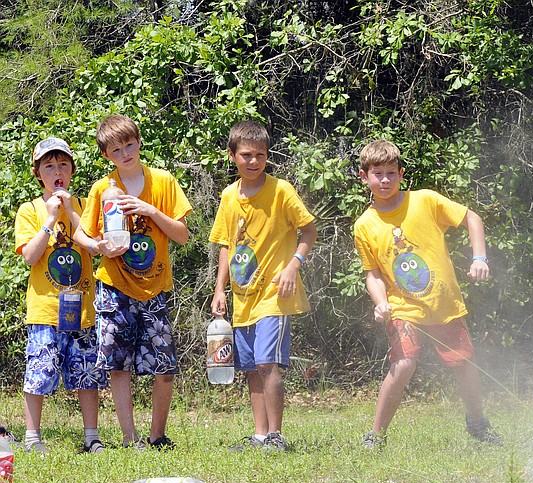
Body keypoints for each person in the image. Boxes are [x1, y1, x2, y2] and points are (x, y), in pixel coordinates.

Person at [353, 139, 501, 449]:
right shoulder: (364, 225)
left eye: (391, 173)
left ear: (402, 174)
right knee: (404, 363)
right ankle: (375, 436)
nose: (384, 180)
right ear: (363, 176)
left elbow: (472, 219)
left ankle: (478, 422)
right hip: (402, 307)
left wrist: (479, 258)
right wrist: (381, 303)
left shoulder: (425, 201)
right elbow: (373, 275)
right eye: (377, 173)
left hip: (444, 303)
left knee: (464, 365)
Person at [73, 115, 192, 450]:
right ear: (107, 155)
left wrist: (149, 210)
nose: (125, 153)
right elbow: (84, 232)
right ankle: (130, 438)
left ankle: (157, 437)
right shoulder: (103, 188)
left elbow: (182, 236)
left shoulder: (164, 182)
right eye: (116, 149)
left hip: (155, 286)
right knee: (118, 364)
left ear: (139, 142)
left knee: (165, 365)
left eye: (129, 145)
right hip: (114, 285)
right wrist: (96, 246)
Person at [209, 120, 317, 451]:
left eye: (260, 155)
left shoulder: (281, 190)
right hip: (243, 298)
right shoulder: (229, 196)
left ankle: (276, 436)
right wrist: (219, 289)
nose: (253, 161)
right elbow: (226, 245)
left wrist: (292, 267)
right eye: (246, 155)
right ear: (232, 156)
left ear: (267, 156)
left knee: (267, 363)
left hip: (275, 295)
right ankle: (259, 435)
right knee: (251, 368)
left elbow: (309, 231)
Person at [14, 137, 109, 454]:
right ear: (38, 172)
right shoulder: (30, 210)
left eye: (63, 164)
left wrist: (70, 210)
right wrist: (52, 219)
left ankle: (91, 437)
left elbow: (94, 245)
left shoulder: (83, 206)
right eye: (49, 165)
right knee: (39, 373)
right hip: (45, 309)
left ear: (72, 170)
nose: (57, 170)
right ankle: (32, 438)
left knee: (86, 375)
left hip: (81, 308)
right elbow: (29, 255)